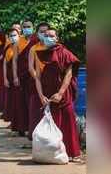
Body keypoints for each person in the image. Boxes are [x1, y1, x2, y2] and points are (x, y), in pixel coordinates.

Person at [34, 28, 81, 162]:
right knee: (52, 123)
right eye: (46, 35)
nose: (48, 37)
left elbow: (69, 74)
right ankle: (52, 154)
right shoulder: (40, 55)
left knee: (68, 122)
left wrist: (60, 93)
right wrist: (40, 95)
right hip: (48, 94)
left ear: (57, 38)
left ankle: (73, 153)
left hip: (63, 94)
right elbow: (37, 77)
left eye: (51, 35)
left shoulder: (65, 53)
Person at [3, 28, 28, 136]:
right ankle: (16, 125)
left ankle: (24, 126)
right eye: (11, 35)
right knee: (14, 103)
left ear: (19, 35)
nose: (13, 37)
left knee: (22, 103)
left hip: (22, 76)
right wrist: (5, 78)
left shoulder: (24, 46)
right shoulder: (8, 48)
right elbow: (5, 63)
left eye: (15, 35)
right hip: (11, 78)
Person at [27, 22, 50, 140]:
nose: (44, 34)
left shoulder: (53, 46)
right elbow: (30, 67)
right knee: (36, 110)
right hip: (36, 82)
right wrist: (38, 79)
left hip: (51, 82)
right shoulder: (33, 48)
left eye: (46, 31)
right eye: (41, 32)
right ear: (37, 34)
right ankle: (36, 137)